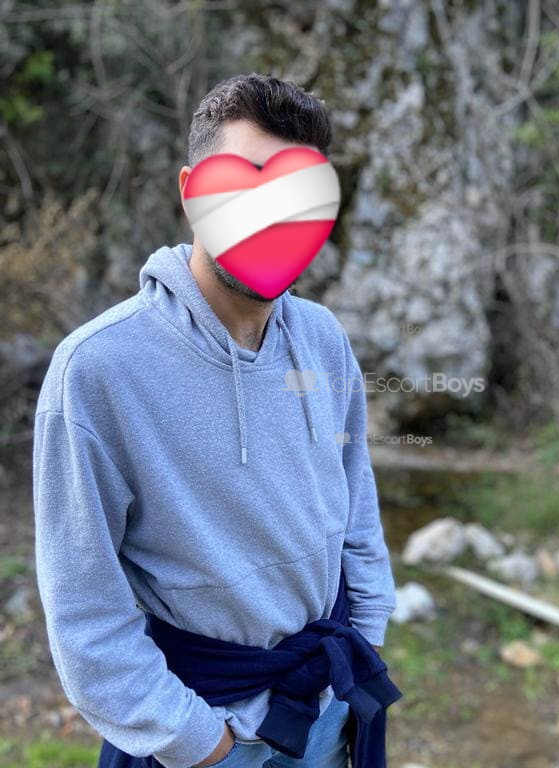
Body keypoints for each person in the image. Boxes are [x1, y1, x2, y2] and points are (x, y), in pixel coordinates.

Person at [32, 73, 399, 768]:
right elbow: (85, 611)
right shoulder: (99, 369)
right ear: (191, 191)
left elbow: (355, 498)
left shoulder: (323, 338)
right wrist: (206, 745)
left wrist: (370, 627)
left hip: (329, 704)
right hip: (203, 728)